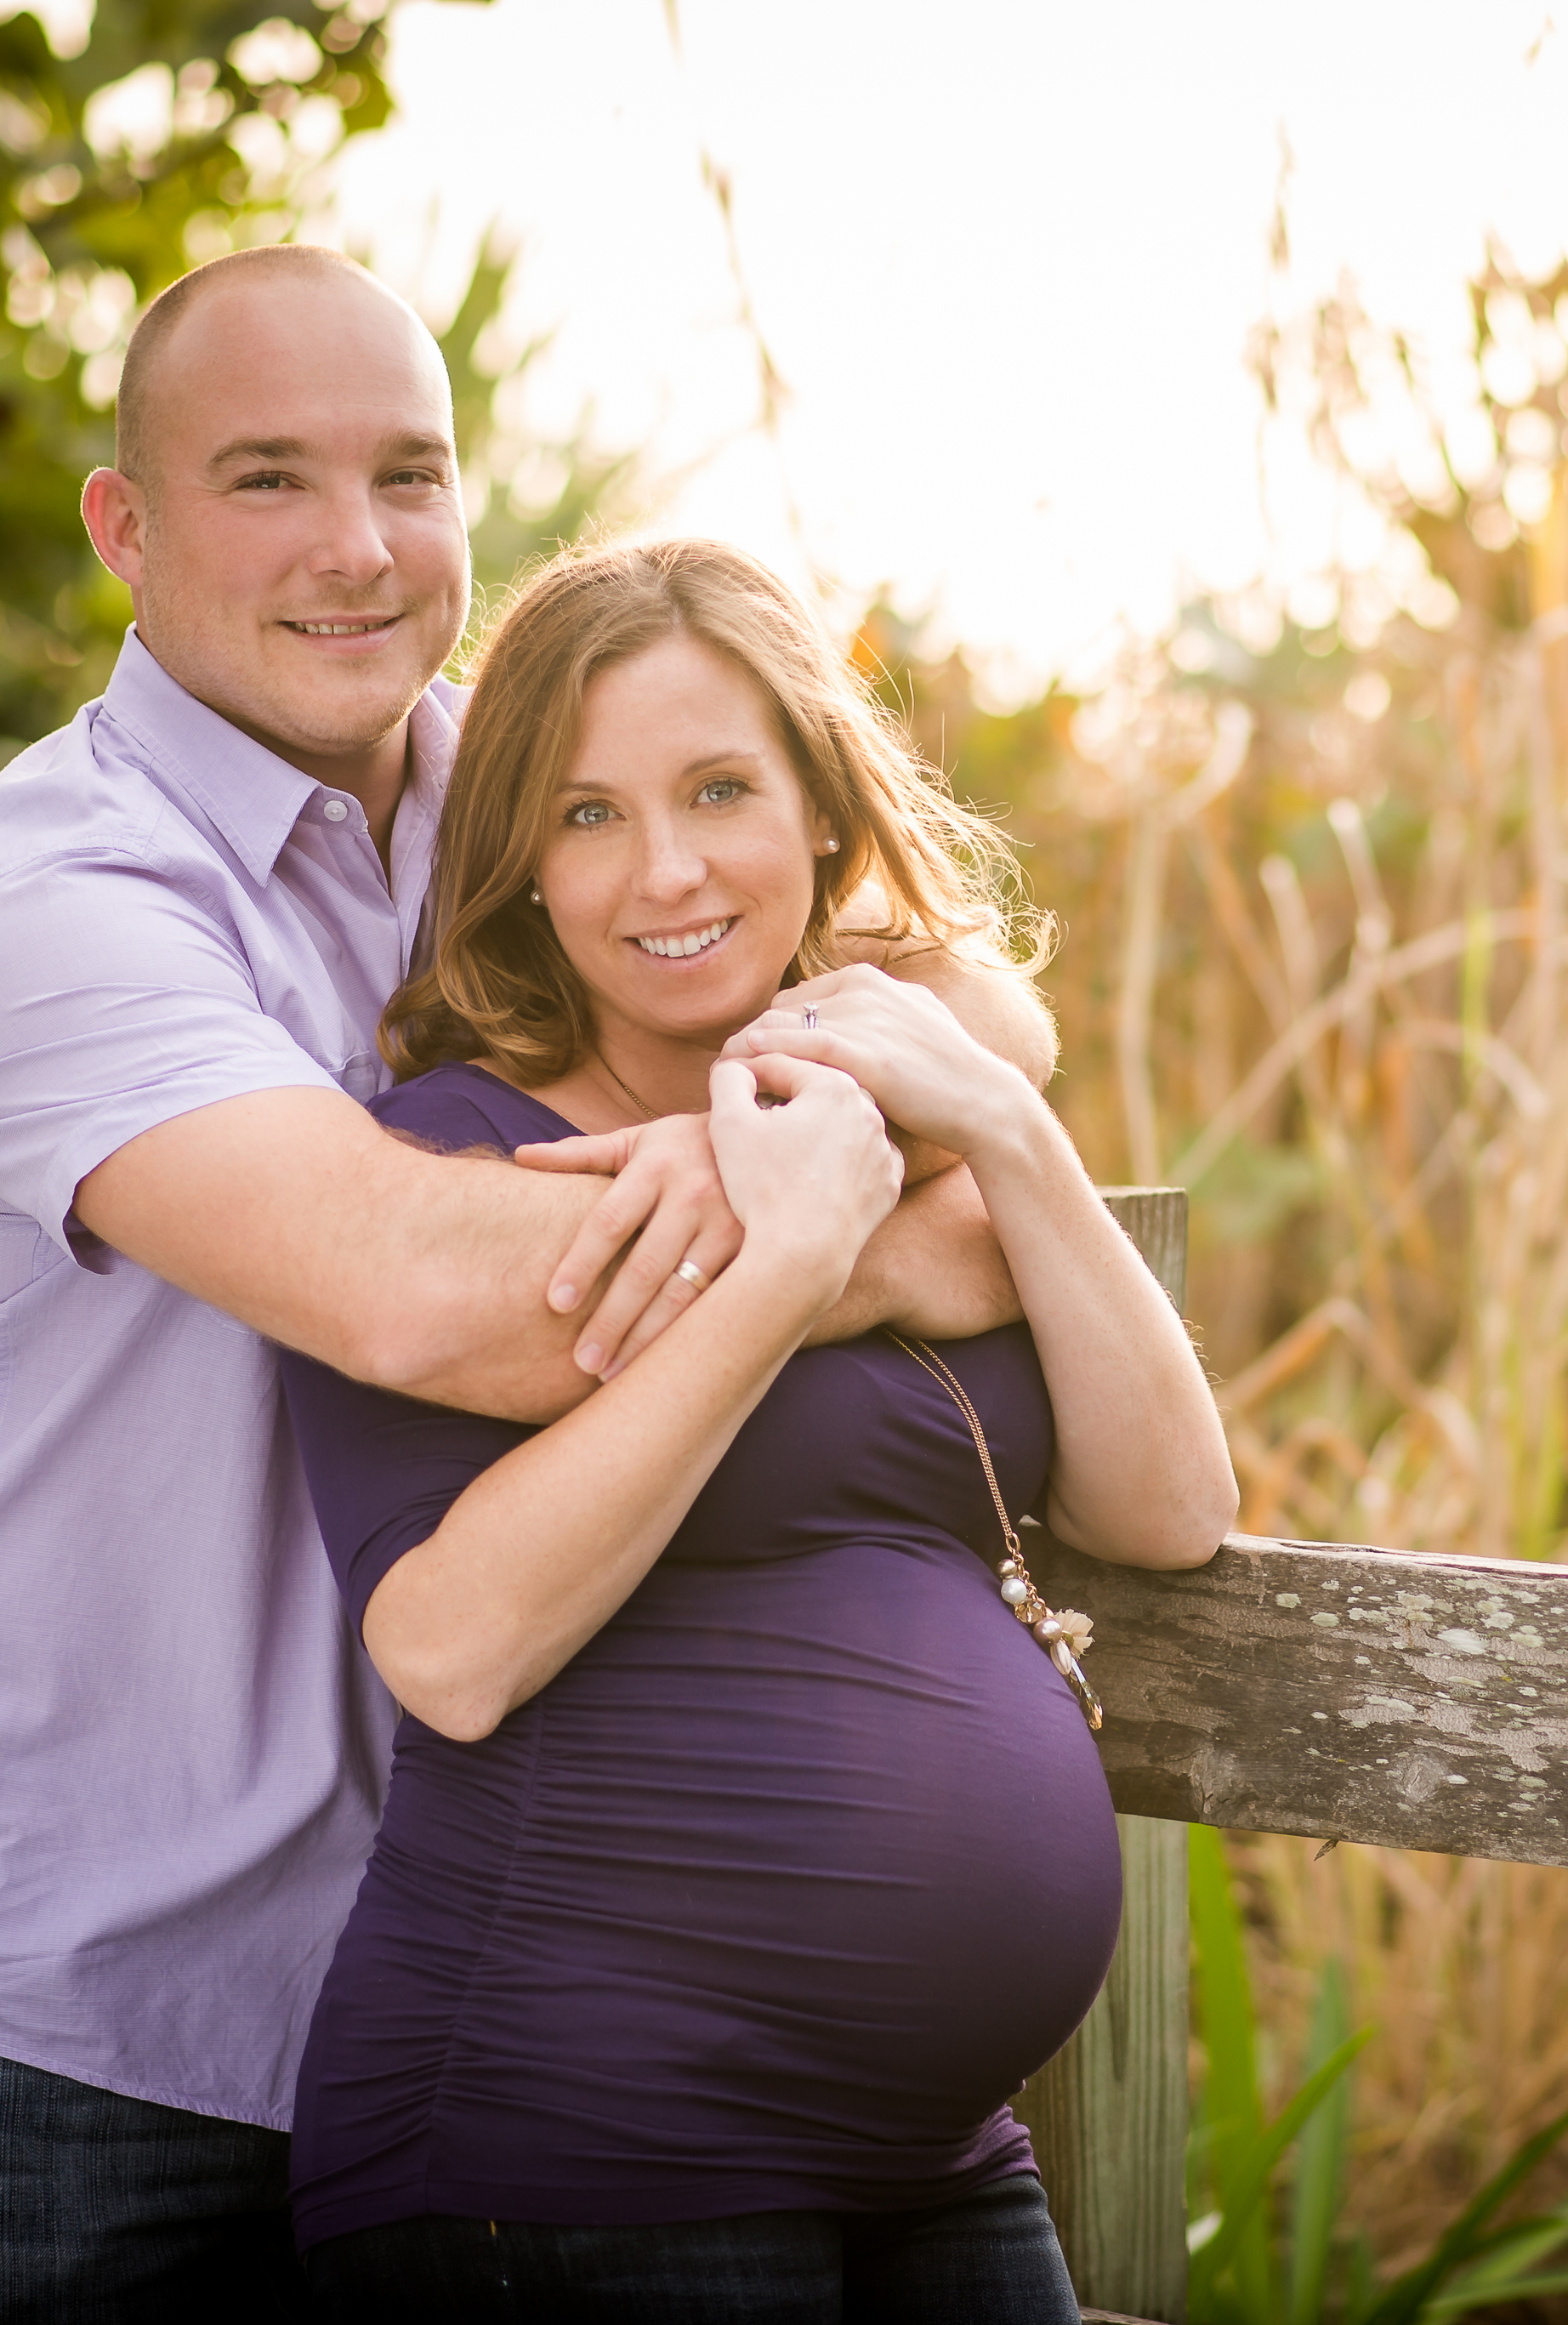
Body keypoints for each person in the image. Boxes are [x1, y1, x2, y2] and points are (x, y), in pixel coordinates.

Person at [0, 247, 1047, 2323]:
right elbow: (428, 1296)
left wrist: (928, 1130)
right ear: (127, 523)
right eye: (266, 477)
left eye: (409, 476)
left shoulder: (515, 794)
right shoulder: (55, 905)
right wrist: (859, 1228)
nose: (355, 549)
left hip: (431, 1977)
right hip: (58, 1996)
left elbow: (956, 984)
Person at [273, 537, 1237, 2320]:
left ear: (817, 802)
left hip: (933, 2149)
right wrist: (781, 1267)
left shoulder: (910, 1114)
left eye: (719, 788)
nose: (664, 870)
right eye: (585, 815)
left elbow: (1169, 1508)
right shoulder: (456, 1162)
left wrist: (1011, 1139)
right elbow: (452, 1649)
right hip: (574, 2146)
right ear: (523, 870)